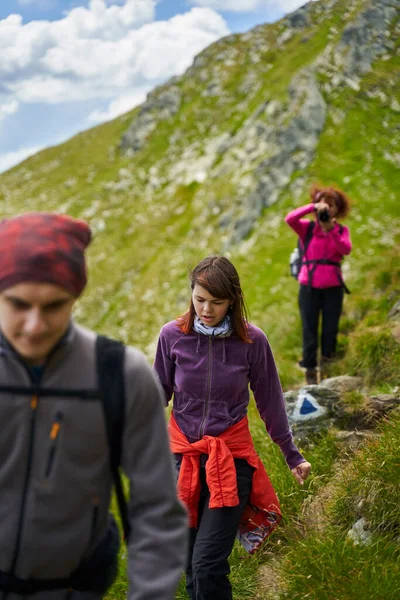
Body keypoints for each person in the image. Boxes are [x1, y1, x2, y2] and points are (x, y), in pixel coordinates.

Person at [0, 212, 187, 600]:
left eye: (54, 306)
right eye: (18, 304)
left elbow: (157, 510)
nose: (34, 325)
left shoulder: (121, 375)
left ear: (76, 297)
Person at [153, 255, 311, 600]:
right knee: (192, 567)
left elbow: (270, 402)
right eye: (199, 300)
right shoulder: (172, 336)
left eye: (216, 302)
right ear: (191, 295)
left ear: (233, 300)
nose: (206, 310)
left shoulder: (253, 342)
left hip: (231, 460)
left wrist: (292, 455)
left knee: (208, 564)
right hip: (182, 460)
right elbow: (159, 393)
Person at [285, 184, 352, 384]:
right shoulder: (307, 228)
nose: (327, 208)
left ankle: (329, 372)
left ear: (337, 210)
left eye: (331, 205)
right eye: (324, 205)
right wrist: (311, 207)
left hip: (333, 288)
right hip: (309, 287)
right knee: (309, 329)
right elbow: (290, 219)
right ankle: (310, 374)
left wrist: (330, 230)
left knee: (330, 329)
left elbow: (345, 249)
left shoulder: (341, 230)